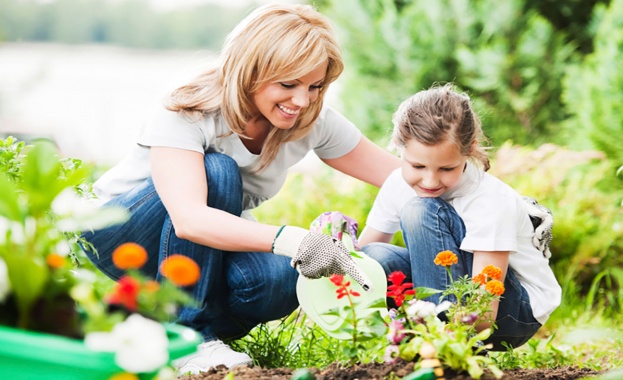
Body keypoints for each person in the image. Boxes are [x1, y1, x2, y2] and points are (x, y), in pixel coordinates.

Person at [81, 3, 400, 375]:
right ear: (251, 70)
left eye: (314, 86)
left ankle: (151, 328)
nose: (302, 100)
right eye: (287, 84)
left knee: (282, 278)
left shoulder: (311, 119)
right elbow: (190, 220)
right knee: (218, 171)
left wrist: (462, 187)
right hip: (119, 235)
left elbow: (402, 178)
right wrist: (298, 240)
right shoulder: (189, 107)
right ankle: (187, 336)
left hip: (196, 256)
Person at [359, 83, 561, 351]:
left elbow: (485, 316)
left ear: (470, 150)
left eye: (446, 168)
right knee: (373, 258)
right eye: (417, 165)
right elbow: (359, 258)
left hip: (512, 313)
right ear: (399, 148)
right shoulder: (398, 182)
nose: (430, 181)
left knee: (421, 209)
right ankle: (423, 334)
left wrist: (450, 339)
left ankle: (438, 344)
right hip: (454, 295)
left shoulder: (490, 202)